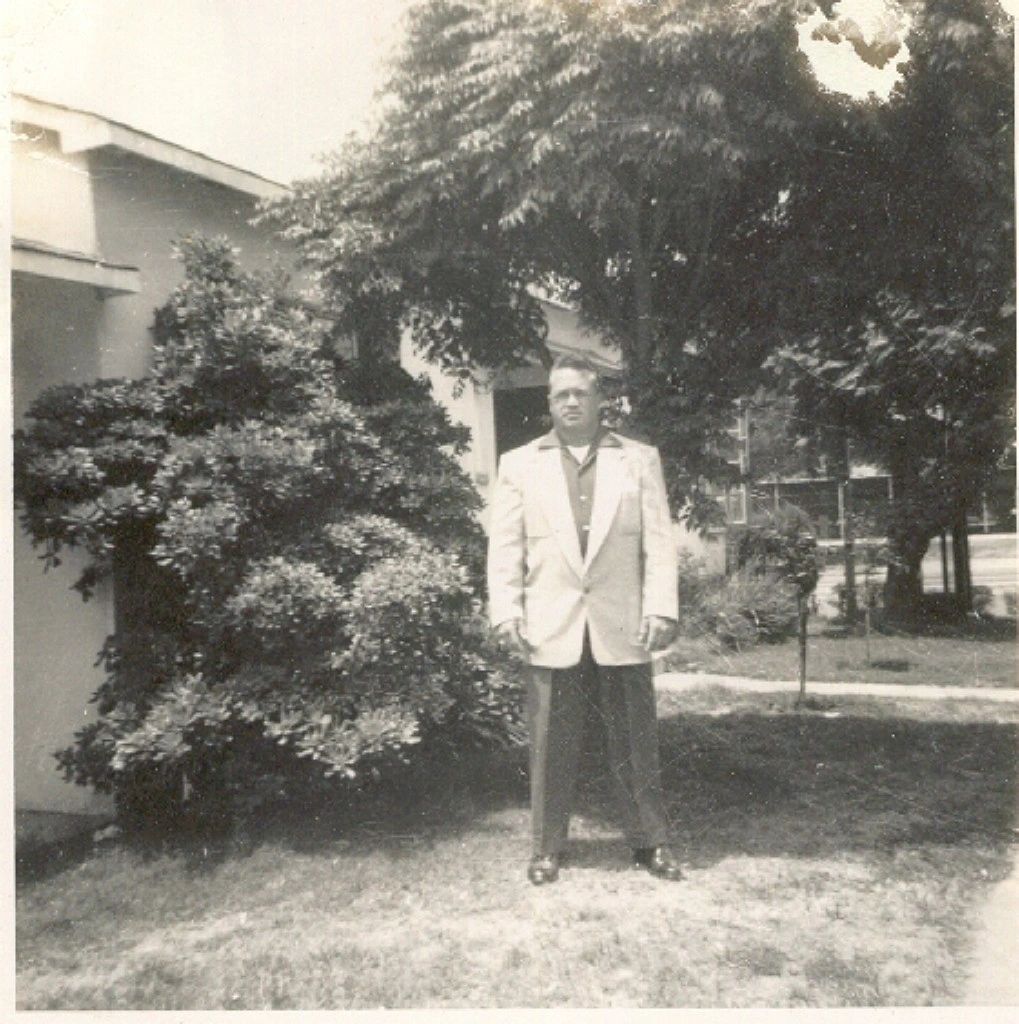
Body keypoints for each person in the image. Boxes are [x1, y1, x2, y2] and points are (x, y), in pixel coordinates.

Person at [487, 352, 682, 885]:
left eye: (580, 393)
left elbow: (660, 545)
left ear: (599, 400)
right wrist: (506, 609)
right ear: (548, 402)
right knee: (551, 741)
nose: (570, 402)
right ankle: (546, 848)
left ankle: (650, 842)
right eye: (559, 394)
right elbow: (504, 548)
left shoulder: (639, 460)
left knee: (635, 739)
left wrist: (661, 606)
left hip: (623, 621)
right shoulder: (518, 464)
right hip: (551, 622)